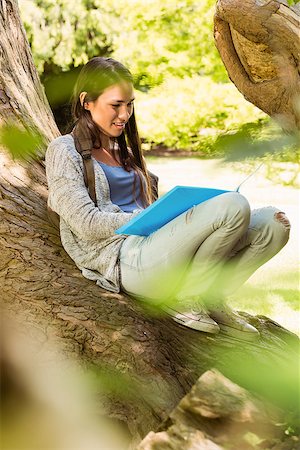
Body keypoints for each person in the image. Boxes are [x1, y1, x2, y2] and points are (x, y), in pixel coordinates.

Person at [45, 57, 291, 340]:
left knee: (274, 224)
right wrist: (152, 220)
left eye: (130, 104)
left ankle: (211, 298)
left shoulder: (124, 151)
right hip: (123, 260)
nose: (125, 114)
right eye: (116, 105)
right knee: (233, 207)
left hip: (157, 249)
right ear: (86, 101)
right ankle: (185, 298)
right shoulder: (65, 150)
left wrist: (169, 216)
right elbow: (86, 223)